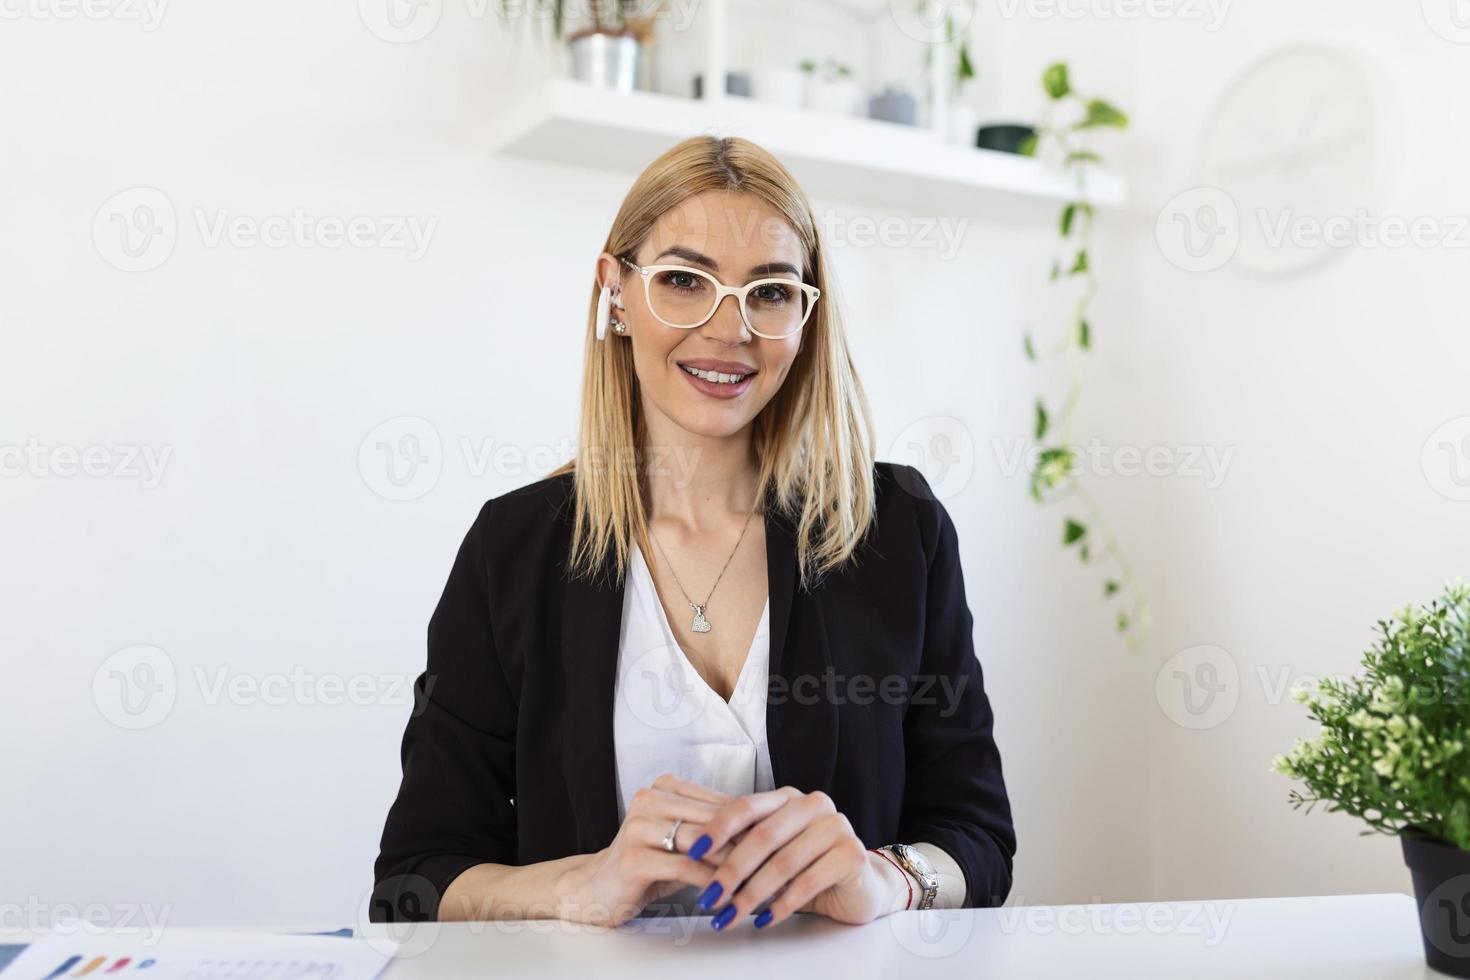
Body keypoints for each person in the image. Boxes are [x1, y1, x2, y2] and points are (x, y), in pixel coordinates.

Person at [371, 135, 1014, 932]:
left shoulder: (899, 530)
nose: (729, 328)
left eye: (770, 293)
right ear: (615, 293)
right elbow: (414, 877)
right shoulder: (514, 550)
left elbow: (979, 840)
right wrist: (579, 887)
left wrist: (888, 879)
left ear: (806, 317)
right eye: (683, 281)